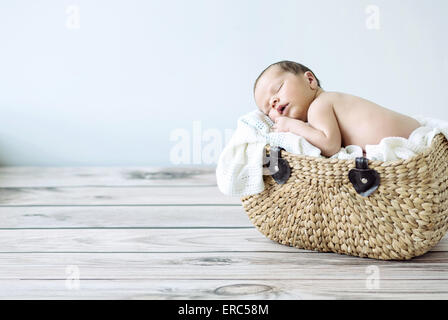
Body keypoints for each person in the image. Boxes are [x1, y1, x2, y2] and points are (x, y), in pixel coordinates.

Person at [254, 60, 421, 157]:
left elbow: (330, 145)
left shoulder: (319, 105)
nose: (274, 102)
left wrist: (291, 126)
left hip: (410, 142)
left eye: (277, 89)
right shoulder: (326, 105)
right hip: (410, 132)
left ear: (310, 81)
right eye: (268, 108)